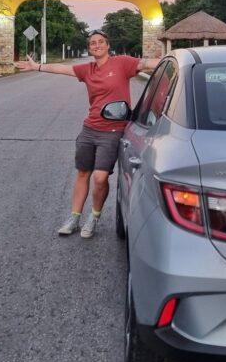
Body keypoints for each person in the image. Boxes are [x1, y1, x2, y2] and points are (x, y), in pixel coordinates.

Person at [14, 29, 160, 237]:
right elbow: (61, 69)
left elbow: (146, 64)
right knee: (83, 173)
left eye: (101, 42)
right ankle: (74, 218)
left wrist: (178, 59)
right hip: (89, 129)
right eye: (93, 43)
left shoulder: (122, 63)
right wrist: (37, 66)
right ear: (89, 48)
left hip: (112, 130)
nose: (97, 45)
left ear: (108, 45)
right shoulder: (87, 69)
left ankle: (94, 216)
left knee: (100, 178)